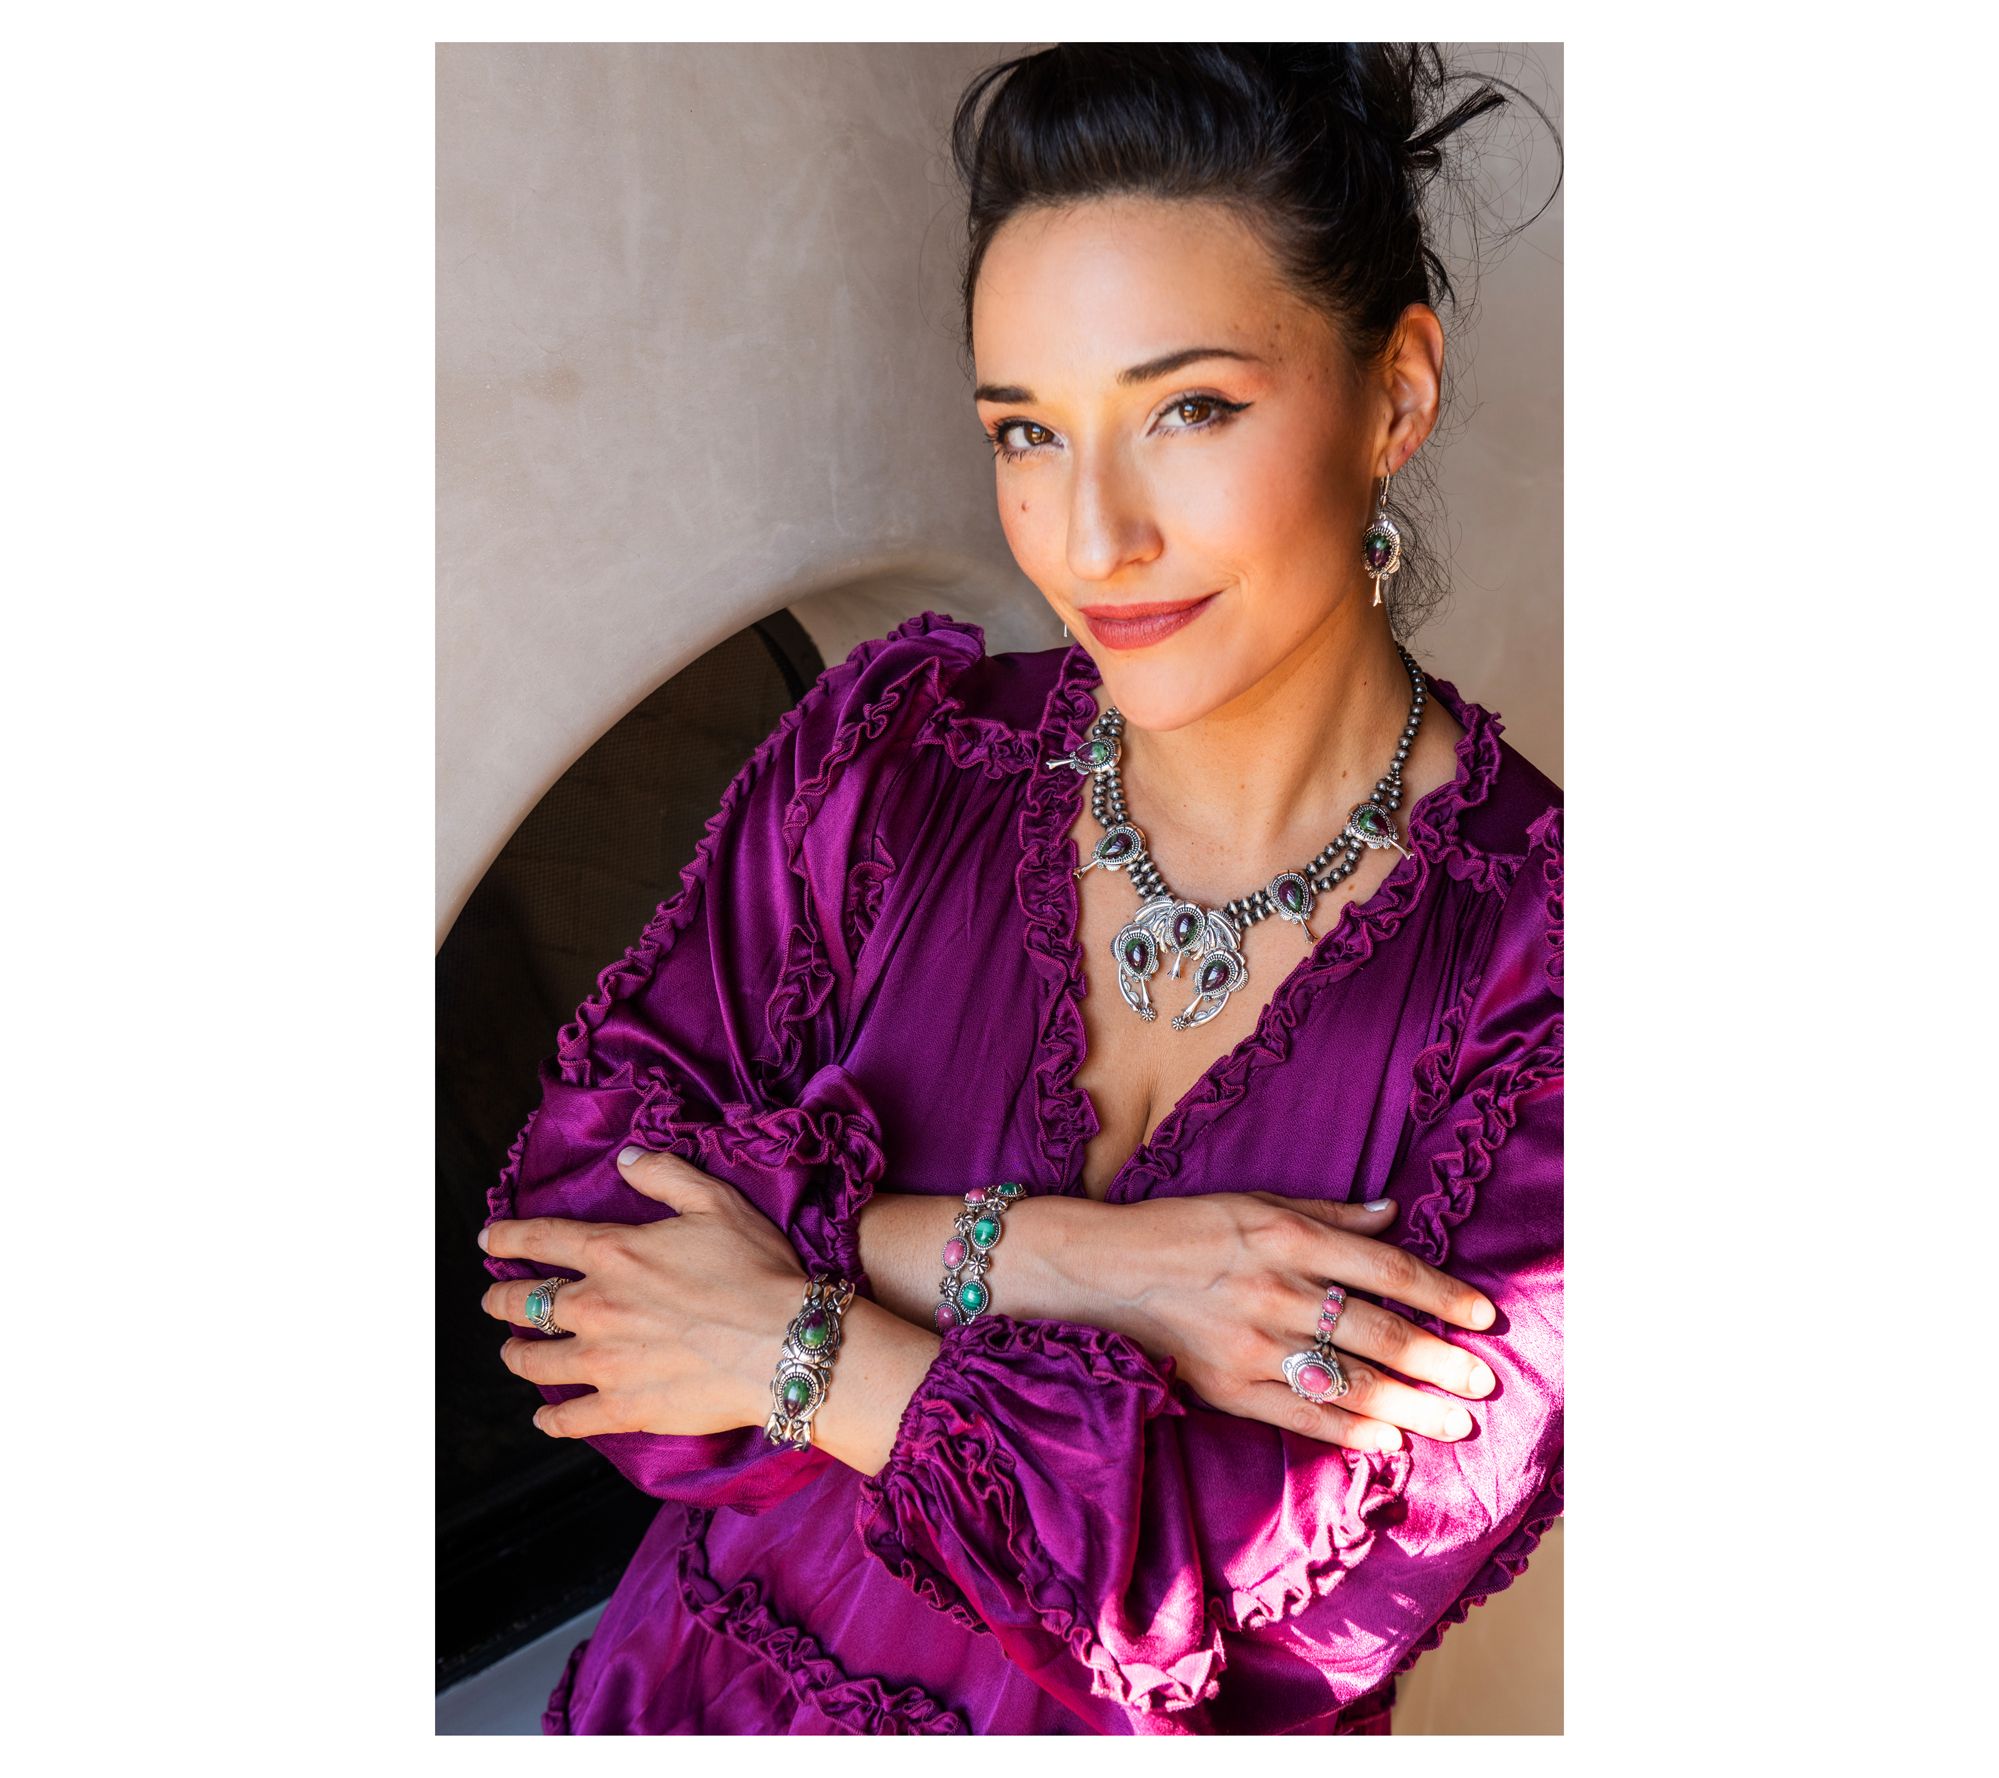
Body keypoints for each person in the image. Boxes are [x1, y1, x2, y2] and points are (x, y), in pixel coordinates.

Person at [475, 43, 1562, 1735]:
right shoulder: (897, 768)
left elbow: (1255, 1627)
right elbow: (567, 1265)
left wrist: (796, 1340)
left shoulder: (1549, 976)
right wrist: (1065, 1261)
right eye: (1028, 432)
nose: (1089, 534)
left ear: (1394, 394)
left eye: (1189, 410)